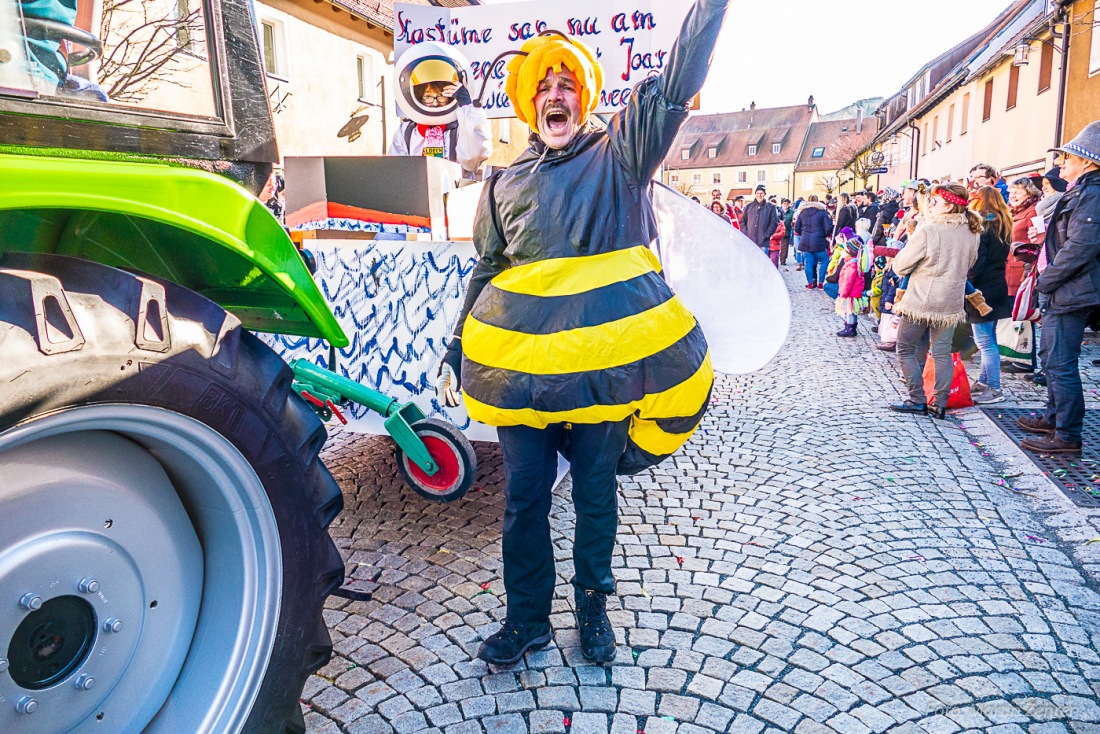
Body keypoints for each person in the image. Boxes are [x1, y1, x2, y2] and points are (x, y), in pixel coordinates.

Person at [435, 0, 728, 667]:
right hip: (520, 377)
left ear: (585, 96)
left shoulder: (621, 156)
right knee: (522, 505)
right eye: (544, 86)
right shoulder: (504, 183)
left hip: (603, 371)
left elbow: (679, 78)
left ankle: (593, 610)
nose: (555, 95)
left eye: (567, 83)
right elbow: (487, 269)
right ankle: (526, 620)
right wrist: (457, 346)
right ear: (528, 102)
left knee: (596, 500)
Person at [1017, 122, 1100, 454]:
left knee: (1061, 362)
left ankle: (1067, 434)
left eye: (1068, 157)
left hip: (1071, 289)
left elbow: (1081, 246)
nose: (1061, 163)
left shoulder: (1092, 194)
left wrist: (1047, 279)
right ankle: (1054, 417)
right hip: (1065, 287)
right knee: (1051, 357)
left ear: (1088, 161)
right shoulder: (1082, 190)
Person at [888, 183, 982, 419]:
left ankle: (916, 399)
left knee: (905, 349)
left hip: (921, 300)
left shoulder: (929, 230)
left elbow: (901, 265)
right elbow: (969, 264)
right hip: (950, 302)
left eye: (934, 202)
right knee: (941, 353)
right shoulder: (972, 232)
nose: (929, 205)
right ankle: (939, 403)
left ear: (949, 206)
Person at [966, 186, 1014, 404]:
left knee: (984, 341)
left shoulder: (983, 227)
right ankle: (984, 381)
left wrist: (967, 285)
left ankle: (994, 388)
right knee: (989, 337)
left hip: (982, 289)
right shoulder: (1003, 225)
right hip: (997, 285)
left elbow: (978, 263)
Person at [794, 194, 832, 288]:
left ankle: (810, 283)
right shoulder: (822, 211)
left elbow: (796, 227)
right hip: (819, 240)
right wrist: (823, 235)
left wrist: (803, 234)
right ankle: (820, 283)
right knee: (824, 260)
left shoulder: (802, 212)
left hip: (805, 241)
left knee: (808, 262)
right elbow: (828, 227)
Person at [834, 237, 866, 337]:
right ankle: (851, 327)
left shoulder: (851, 265)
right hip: (853, 292)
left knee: (850, 310)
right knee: (852, 310)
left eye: (844, 250)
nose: (842, 252)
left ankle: (850, 328)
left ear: (849, 252)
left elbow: (848, 281)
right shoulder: (852, 262)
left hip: (850, 293)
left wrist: (843, 293)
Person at [742, 185, 779, 252]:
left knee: (762, 262)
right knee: (750, 261)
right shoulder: (749, 207)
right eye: (757, 193)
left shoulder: (770, 207)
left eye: (761, 193)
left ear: (764, 194)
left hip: (763, 242)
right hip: (750, 240)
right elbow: (742, 221)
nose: (759, 195)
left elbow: (774, 223)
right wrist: (746, 233)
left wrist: (767, 235)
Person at [780, 199, 795, 265]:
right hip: (777, 231)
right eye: (784, 203)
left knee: (785, 247)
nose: (785, 205)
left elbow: (793, 221)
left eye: (787, 204)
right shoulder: (778, 211)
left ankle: (783, 260)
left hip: (787, 232)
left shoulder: (792, 212)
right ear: (782, 204)